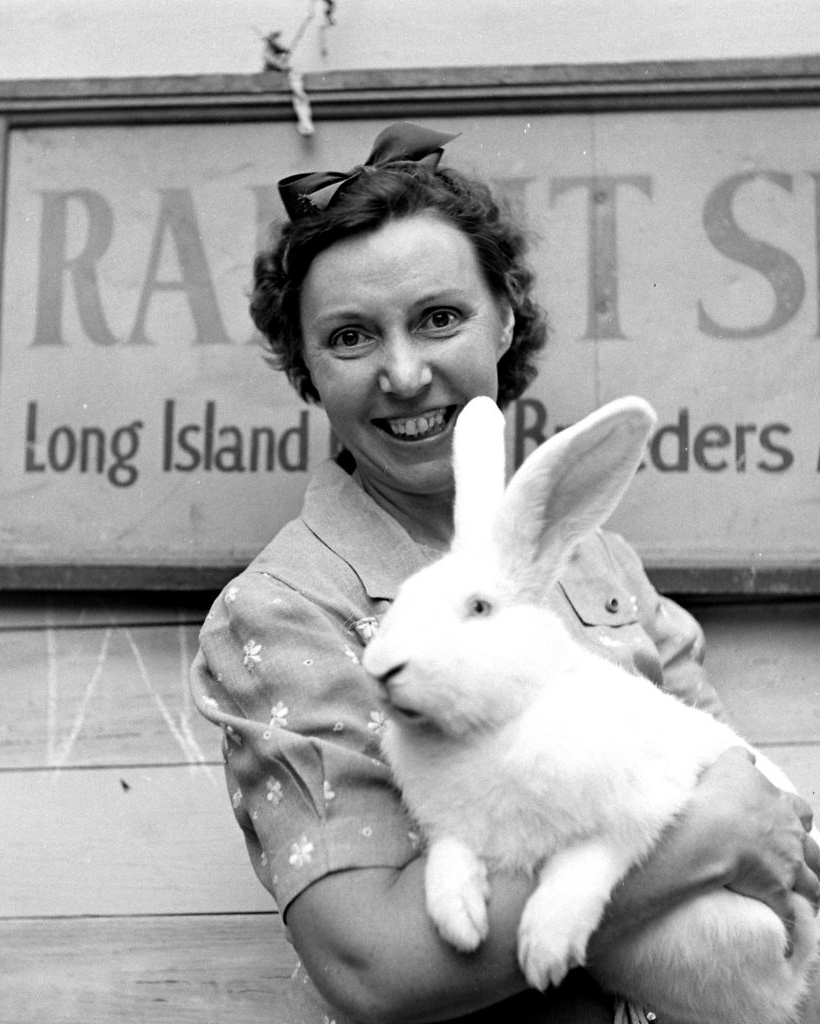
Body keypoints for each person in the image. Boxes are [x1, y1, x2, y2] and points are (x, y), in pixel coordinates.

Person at [189, 123, 820, 1023]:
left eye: (439, 318)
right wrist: (706, 843)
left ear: (506, 319)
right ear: (307, 369)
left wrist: (753, 835)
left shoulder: (594, 558)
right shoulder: (283, 612)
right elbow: (377, 968)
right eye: (351, 337)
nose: (404, 374)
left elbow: (745, 788)